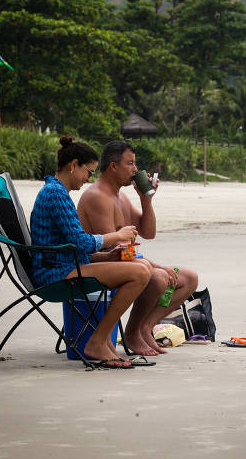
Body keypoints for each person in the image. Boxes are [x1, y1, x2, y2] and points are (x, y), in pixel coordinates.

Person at [30, 136, 151, 369]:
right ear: (73, 165)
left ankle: (104, 340)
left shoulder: (56, 192)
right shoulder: (55, 193)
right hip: (55, 274)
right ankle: (98, 340)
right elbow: (80, 241)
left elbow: (72, 245)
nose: (89, 179)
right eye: (89, 172)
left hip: (64, 264)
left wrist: (107, 256)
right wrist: (118, 236)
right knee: (140, 273)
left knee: (142, 267)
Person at [77, 140, 198, 356]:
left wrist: (146, 200)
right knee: (160, 277)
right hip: (101, 267)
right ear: (113, 167)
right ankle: (131, 333)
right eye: (130, 164)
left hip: (126, 262)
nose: (135, 170)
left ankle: (144, 327)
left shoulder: (120, 196)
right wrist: (158, 267)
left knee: (188, 278)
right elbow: (118, 252)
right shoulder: (98, 197)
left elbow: (148, 232)